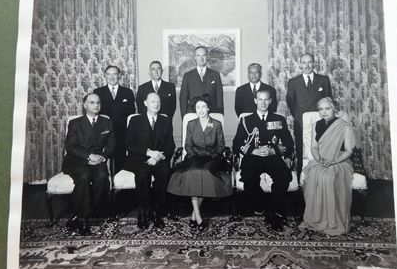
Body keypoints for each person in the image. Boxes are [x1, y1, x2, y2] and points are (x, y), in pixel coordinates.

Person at [168, 95, 232, 230]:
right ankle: (197, 215)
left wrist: (212, 155)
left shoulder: (216, 124)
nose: (201, 110)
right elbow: (187, 145)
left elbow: (221, 146)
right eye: (198, 107)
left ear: (208, 108)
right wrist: (194, 156)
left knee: (204, 173)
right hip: (194, 157)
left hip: (212, 158)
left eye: (203, 107)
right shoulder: (191, 124)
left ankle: (193, 216)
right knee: (194, 173)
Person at [233, 89, 294, 231]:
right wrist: (253, 150)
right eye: (260, 99)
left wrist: (274, 150)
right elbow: (236, 144)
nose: (263, 103)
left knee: (284, 176)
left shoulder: (279, 119)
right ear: (255, 101)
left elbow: (289, 144)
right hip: (253, 157)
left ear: (271, 101)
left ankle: (270, 212)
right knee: (248, 178)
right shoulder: (246, 120)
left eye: (266, 99)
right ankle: (270, 208)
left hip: (272, 157)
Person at [62, 93, 116, 235]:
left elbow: (112, 144)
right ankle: (82, 217)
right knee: (84, 176)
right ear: (85, 105)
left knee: (103, 178)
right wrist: (88, 156)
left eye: (98, 102)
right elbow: (70, 147)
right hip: (76, 160)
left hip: (98, 159)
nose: (96, 105)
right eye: (92, 102)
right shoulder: (75, 123)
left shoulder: (107, 122)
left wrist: (102, 157)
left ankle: (89, 211)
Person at [301, 97, 355, 236]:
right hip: (320, 160)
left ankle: (333, 221)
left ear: (334, 109)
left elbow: (349, 151)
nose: (324, 112)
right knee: (312, 176)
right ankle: (316, 220)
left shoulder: (344, 126)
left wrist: (333, 162)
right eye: (321, 109)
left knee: (328, 177)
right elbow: (314, 146)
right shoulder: (316, 125)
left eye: (327, 108)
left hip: (339, 161)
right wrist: (319, 160)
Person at [124, 92, 175, 229]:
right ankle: (143, 210)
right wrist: (148, 153)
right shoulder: (135, 121)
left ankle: (156, 210)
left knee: (165, 171)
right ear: (145, 103)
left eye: (158, 101)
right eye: (153, 101)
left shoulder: (165, 121)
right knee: (143, 171)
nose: (157, 104)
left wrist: (158, 156)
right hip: (138, 158)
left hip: (158, 158)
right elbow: (129, 144)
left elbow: (170, 145)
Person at [286, 53, 332, 178]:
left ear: (314, 63)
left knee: (321, 148)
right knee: (301, 150)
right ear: (300, 64)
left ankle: (322, 175)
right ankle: (303, 176)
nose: (307, 65)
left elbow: (329, 101)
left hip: (321, 122)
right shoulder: (293, 82)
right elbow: (290, 102)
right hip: (301, 122)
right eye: (304, 62)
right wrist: (300, 117)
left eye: (310, 62)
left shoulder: (323, 80)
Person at [94, 65, 136, 173]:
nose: (112, 77)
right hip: (103, 135)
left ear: (119, 76)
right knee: (101, 164)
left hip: (122, 134)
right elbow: (95, 113)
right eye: (109, 74)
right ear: (105, 76)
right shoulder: (98, 92)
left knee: (121, 163)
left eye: (115, 74)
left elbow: (131, 115)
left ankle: (119, 188)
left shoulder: (128, 93)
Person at [179, 46, 224, 118]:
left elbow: (219, 98)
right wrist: (185, 118)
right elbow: (183, 99)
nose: (201, 58)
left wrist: (219, 116)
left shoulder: (215, 75)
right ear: (194, 58)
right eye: (198, 56)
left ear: (207, 57)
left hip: (211, 115)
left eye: (204, 55)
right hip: (193, 115)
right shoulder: (187, 76)